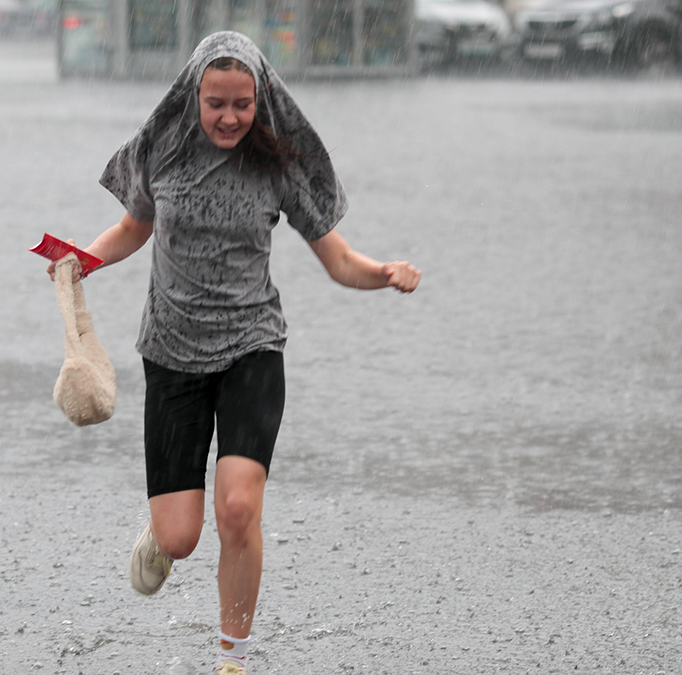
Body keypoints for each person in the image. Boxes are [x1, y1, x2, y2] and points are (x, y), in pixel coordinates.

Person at [46, 31, 420, 675]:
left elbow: (337, 260)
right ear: (193, 96)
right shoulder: (163, 150)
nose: (228, 117)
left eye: (242, 104)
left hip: (252, 347)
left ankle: (233, 658)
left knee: (239, 509)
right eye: (215, 103)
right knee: (180, 537)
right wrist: (81, 260)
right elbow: (134, 227)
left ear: (260, 99)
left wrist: (382, 273)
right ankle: (162, 536)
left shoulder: (277, 162)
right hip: (171, 352)